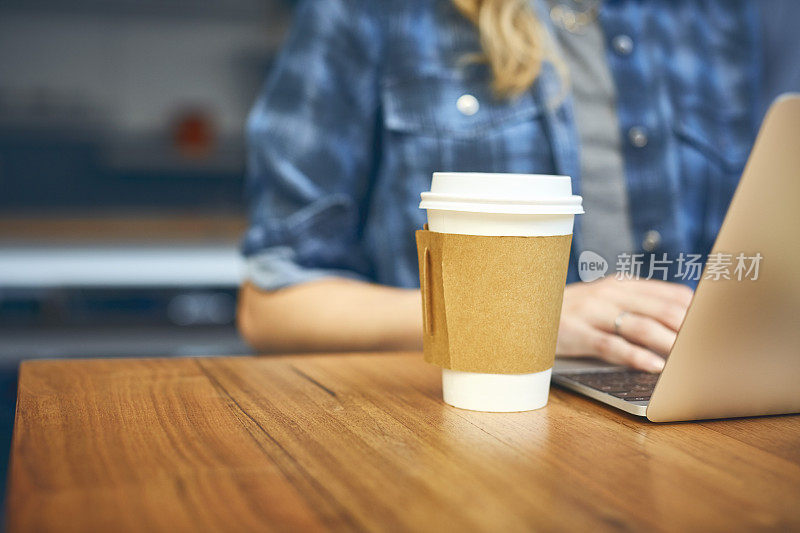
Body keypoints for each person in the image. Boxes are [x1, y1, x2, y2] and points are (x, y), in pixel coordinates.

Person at [237, 0, 762, 372]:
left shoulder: (713, 15)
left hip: (685, 433)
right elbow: (272, 307)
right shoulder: (370, 12)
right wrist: (527, 320)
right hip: (450, 430)